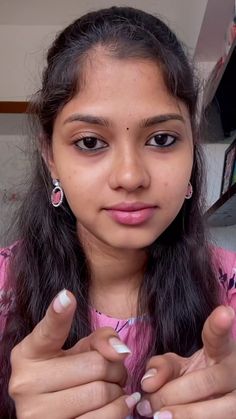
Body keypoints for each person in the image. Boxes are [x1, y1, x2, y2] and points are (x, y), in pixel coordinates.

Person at [0, 5, 236, 419]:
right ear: (50, 158)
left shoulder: (229, 290)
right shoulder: (4, 288)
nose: (130, 176)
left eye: (162, 138)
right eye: (90, 142)